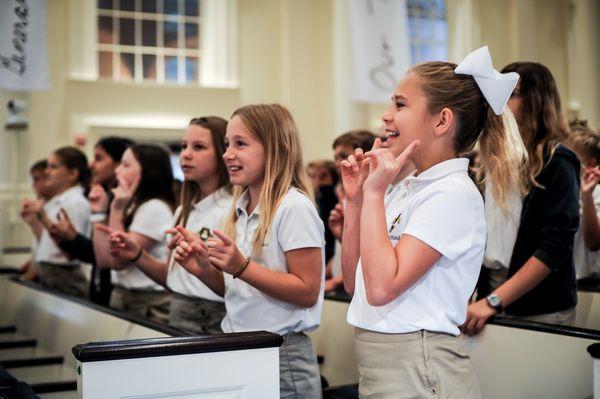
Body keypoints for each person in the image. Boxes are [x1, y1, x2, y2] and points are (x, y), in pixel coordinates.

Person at [342, 46, 526, 398]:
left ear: (441, 121)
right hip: (385, 360)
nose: (386, 116)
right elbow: (356, 283)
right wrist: (357, 200)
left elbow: (382, 289)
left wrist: (376, 194)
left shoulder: (451, 194)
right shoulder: (408, 187)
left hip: (418, 362)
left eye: (399, 104)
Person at [173, 104, 324, 398]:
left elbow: (307, 290)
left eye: (240, 144)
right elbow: (238, 290)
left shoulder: (293, 207)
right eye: (228, 144)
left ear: (276, 149)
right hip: (238, 345)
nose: (228, 153)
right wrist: (204, 269)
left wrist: (240, 266)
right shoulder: (239, 209)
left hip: (280, 354)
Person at [465, 61, 580, 331]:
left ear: (536, 102)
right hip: (490, 295)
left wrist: (494, 301)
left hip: (540, 305)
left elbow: (555, 245)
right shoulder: (490, 161)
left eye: (512, 93)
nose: (500, 100)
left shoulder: (558, 161)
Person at [105, 117, 232, 333]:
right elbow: (171, 278)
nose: (186, 154)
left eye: (198, 147)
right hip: (177, 308)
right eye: (184, 146)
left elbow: (233, 286)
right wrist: (137, 254)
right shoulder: (184, 210)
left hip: (211, 316)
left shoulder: (231, 210)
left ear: (223, 154)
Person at [94, 144, 175, 323]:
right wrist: (98, 213)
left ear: (146, 172)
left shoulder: (154, 207)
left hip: (148, 301)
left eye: (125, 165)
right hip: (125, 295)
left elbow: (118, 261)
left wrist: (116, 208)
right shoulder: (133, 204)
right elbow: (103, 260)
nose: (117, 170)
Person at [50, 136, 133, 305]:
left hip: (120, 292)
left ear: (119, 163)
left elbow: (109, 257)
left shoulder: (125, 204)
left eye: (99, 158)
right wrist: (64, 238)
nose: (91, 165)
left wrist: (73, 236)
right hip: (101, 289)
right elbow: (95, 255)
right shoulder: (105, 198)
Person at [24, 147, 92, 297]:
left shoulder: (75, 202)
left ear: (73, 173)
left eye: (53, 167)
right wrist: (35, 221)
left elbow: (72, 251)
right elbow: (46, 243)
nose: (47, 171)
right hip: (50, 271)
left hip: (64, 274)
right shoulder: (58, 201)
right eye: (47, 166)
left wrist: (44, 218)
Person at [569, 120, 600, 279]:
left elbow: (594, 243)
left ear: (590, 164)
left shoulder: (597, 194)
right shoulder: (564, 192)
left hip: (590, 284)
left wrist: (587, 197)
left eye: (571, 158)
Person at [19, 160, 54, 281]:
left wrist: (29, 276)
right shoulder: (44, 206)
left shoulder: (58, 209)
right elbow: (40, 248)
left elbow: (52, 250)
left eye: (37, 179)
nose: (33, 185)